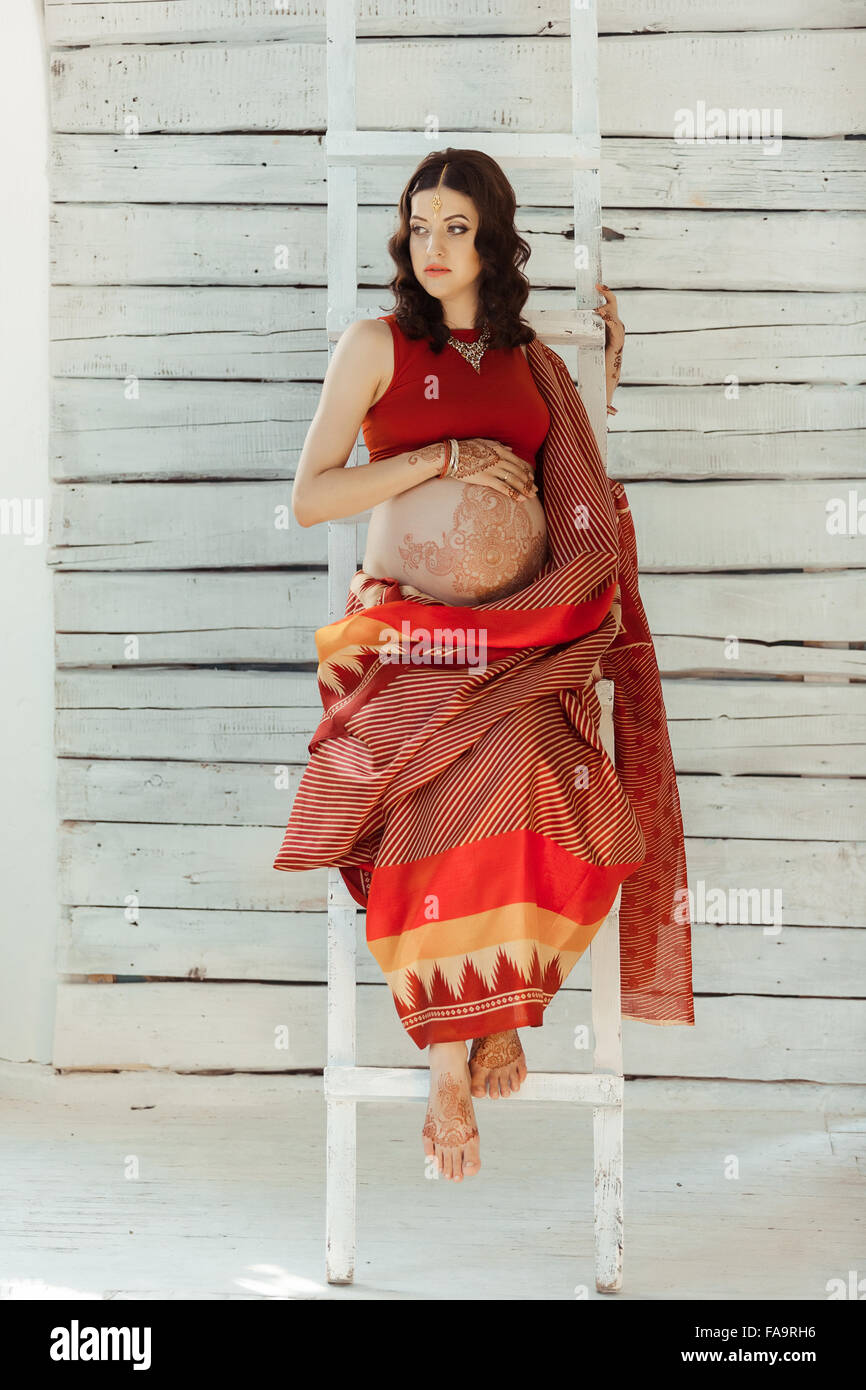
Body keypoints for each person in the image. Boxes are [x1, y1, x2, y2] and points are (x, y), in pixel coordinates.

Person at [274, 148, 694, 1184]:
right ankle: (457, 1055)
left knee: (538, 772)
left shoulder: (531, 361)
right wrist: (440, 457)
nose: (432, 247)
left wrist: (598, 364)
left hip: (519, 646)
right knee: (455, 774)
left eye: (454, 227)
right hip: (405, 647)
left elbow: (577, 500)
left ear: (493, 240)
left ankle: (494, 1006)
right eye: (418, 227)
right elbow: (310, 496)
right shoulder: (374, 345)